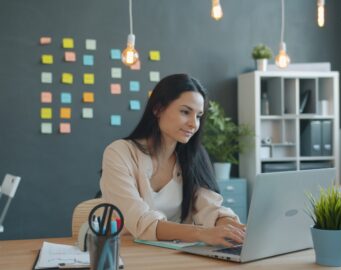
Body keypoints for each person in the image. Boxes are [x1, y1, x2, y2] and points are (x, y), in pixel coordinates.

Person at [100, 74, 246, 247]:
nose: (194, 124)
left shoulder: (193, 157)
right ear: (158, 109)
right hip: (123, 251)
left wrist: (231, 227)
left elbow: (210, 208)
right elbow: (140, 222)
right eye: (185, 112)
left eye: (199, 116)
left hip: (172, 254)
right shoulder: (119, 152)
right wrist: (202, 233)